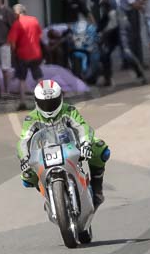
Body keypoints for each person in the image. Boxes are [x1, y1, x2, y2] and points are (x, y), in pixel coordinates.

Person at [17, 79, 110, 208]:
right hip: (44, 154)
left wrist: (85, 144)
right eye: (44, 103)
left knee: (101, 150)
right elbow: (23, 140)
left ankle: (97, 189)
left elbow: (82, 127)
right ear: (36, 102)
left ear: (60, 98)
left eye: (52, 102)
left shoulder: (69, 110)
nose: (49, 107)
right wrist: (24, 158)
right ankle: (49, 197)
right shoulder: (31, 118)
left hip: (71, 147)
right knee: (27, 177)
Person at [7, 4, 43, 111]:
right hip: (36, 54)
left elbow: (12, 43)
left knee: (22, 79)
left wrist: (14, 52)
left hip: (22, 55)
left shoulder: (17, 24)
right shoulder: (34, 20)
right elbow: (40, 35)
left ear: (17, 13)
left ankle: (22, 102)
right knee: (38, 77)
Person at [115, 0, 146, 82]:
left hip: (120, 15)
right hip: (127, 15)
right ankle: (137, 65)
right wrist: (142, 1)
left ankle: (128, 64)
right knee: (131, 41)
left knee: (124, 42)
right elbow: (133, 4)